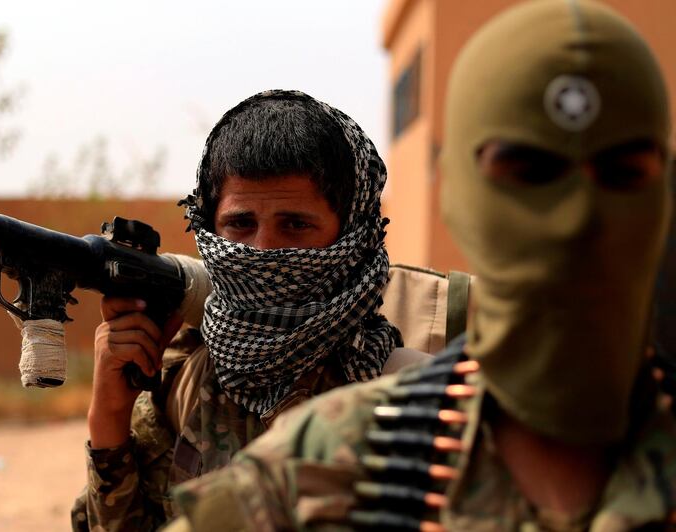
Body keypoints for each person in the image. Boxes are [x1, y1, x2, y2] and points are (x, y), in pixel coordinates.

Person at [165, 1, 676, 530]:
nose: (577, 219)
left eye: (622, 174)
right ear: (456, 193)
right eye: (530, 172)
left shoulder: (405, 362)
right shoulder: (316, 465)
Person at [72, 89, 436, 531]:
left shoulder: (405, 391)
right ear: (211, 228)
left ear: (352, 234)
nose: (263, 251)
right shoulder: (185, 376)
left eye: (296, 225)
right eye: (241, 224)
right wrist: (108, 415)